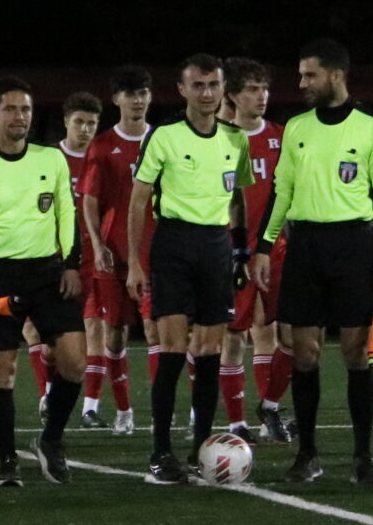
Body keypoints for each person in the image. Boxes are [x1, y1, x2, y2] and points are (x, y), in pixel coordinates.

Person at [252, 39, 373, 488]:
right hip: (306, 246)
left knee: (356, 355)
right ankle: (307, 454)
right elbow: (281, 190)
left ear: (336, 75)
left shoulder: (372, 128)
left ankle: (363, 457)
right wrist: (263, 244)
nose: (302, 84)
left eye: (309, 75)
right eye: (301, 75)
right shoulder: (296, 127)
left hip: (355, 245)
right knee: (305, 355)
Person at [0, 78, 86, 484]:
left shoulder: (51, 160)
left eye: (25, 110)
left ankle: (51, 440)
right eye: (10, 109)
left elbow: (67, 214)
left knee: (75, 362)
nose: (19, 117)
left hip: (48, 274)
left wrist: (72, 264)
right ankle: (8, 461)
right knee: (1, 371)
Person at [125, 55, 254, 483]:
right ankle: (160, 451)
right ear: (182, 90)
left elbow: (238, 199)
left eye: (213, 85)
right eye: (197, 85)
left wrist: (240, 252)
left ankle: (201, 449)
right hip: (174, 245)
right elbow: (139, 200)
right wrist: (133, 262)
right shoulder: (163, 137)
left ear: (223, 90)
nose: (206, 93)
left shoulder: (236, 140)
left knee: (210, 353)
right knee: (174, 352)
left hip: (216, 247)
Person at [76, 66, 152, 435]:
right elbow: (89, 200)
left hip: (155, 251)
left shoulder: (164, 140)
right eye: (130, 93)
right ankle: (124, 411)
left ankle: (168, 414)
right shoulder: (103, 145)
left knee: (161, 333)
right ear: (117, 99)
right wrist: (97, 243)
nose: (137, 100)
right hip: (115, 253)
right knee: (115, 335)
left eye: (143, 93)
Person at [227, 59, 294, 443]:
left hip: (277, 248)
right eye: (252, 88)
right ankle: (236, 422)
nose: (261, 95)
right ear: (233, 95)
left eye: (264, 88)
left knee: (281, 333)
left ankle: (269, 407)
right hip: (231, 249)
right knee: (233, 335)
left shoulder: (283, 137)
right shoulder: (220, 138)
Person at [55, 91, 108, 429]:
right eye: (80, 122)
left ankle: (90, 406)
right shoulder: (49, 158)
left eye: (91, 123)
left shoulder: (101, 157)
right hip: (54, 257)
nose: (86, 129)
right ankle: (49, 392)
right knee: (42, 332)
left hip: (94, 256)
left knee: (96, 328)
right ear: (66, 122)